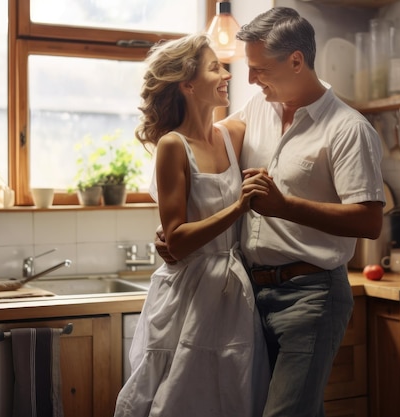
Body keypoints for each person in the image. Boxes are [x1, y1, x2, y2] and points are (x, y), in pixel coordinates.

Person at [156, 7, 385, 417]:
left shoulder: (348, 128)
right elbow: (201, 157)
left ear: (296, 61)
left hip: (311, 296)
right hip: (247, 295)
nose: (249, 79)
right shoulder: (256, 111)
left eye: (259, 69)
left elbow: (368, 220)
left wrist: (286, 207)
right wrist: (175, 231)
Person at [113, 34, 271, 417]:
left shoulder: (233, 135)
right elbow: (179, 242)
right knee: (181, 399)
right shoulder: (173, 146)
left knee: (232, 397)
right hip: (189, 294)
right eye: (215, 67)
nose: (227, 75)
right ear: (187, 83)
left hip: (233, 292)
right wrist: (239, 207)